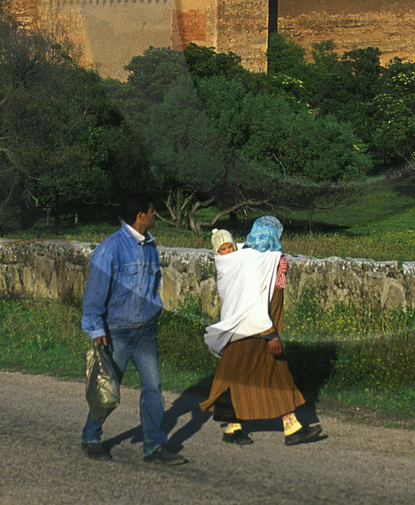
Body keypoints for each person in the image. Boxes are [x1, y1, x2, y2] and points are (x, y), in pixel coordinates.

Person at [79, 195, 186, 466]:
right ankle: (91, 437)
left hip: (146, 331)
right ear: (140, 216)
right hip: (118, 331)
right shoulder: (110, 249)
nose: (155, 216)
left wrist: (155, 308)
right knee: (107, 388)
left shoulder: (150, 245)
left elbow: (154, 282)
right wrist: (96, 329)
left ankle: (154, 446)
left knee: (153, 388)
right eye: (152, 212)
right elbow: (94, 293)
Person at [199, 216, 323, 446]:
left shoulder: (258, 259)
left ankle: (239, 427)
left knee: (243, 377)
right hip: (252, 330)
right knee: (272, 375)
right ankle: (286, 426)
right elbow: (251, 301)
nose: (269, 240)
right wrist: (270, 334)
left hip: (246, 332)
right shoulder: (251, 263)